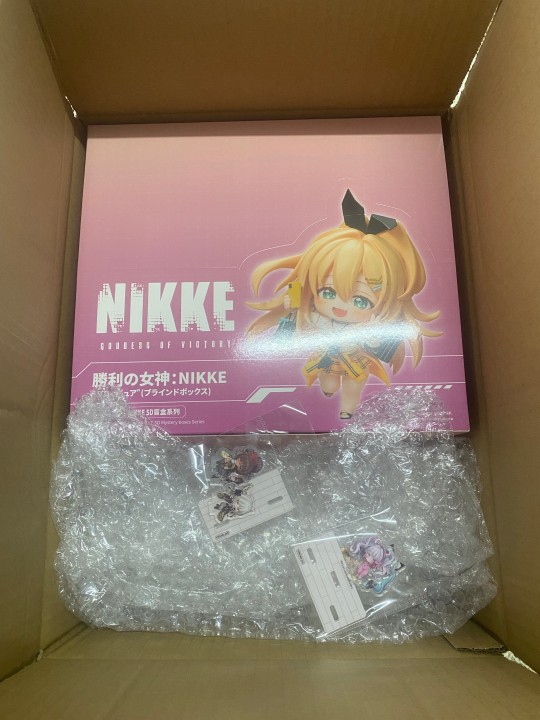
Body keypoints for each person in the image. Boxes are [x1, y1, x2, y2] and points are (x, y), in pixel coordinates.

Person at [247, 190, 440, 419]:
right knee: (327, 381)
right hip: (326, 356)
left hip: (356, 359)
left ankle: (348, 409)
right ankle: (329, 391)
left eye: (360, 300)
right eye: (328, 292)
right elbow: (297, 330)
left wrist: (373, 333)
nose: (340, 306)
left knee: (353, 384)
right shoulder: (316, 315)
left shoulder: (368, 325)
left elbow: (378, 342)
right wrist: (293, 307)